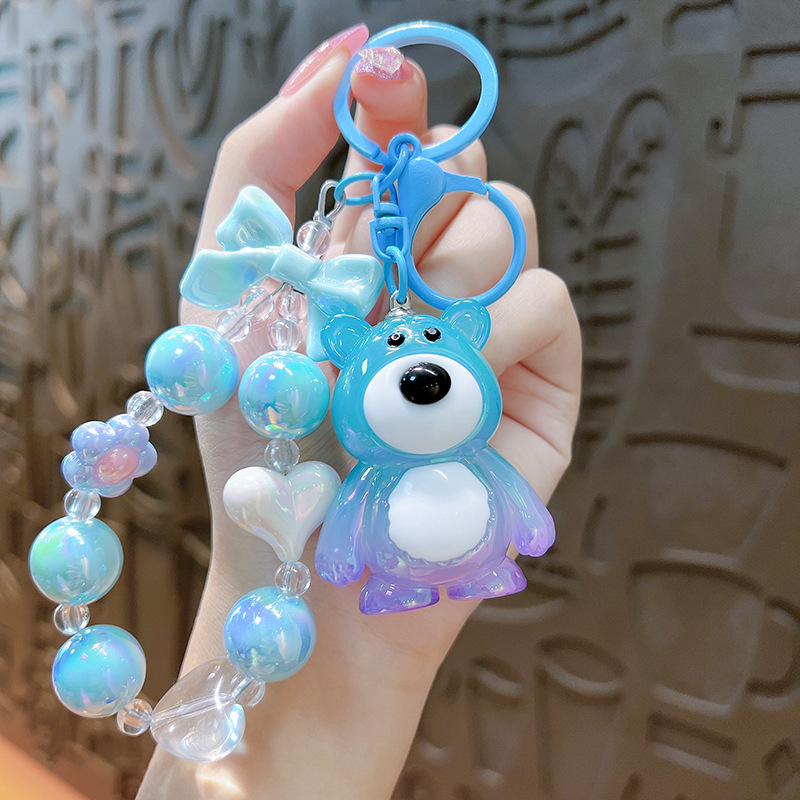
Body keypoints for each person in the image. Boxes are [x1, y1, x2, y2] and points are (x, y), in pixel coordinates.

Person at [136, 23, 581, 800]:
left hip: (450, 565)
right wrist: (314, 578)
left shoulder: (460, 443)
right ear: (345, 351)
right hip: (356, 587)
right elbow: (346, 528)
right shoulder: (352, 454)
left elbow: (512, 507)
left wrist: (350, 685)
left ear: (466, 336)